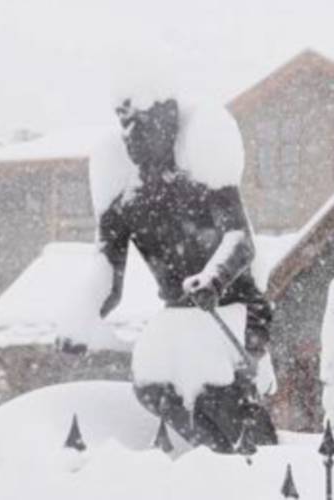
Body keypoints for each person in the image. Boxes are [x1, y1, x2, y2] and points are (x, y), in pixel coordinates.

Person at [98, 97, 277, 452]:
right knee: (151, 384)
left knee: (219, 389)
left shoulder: (203, 180)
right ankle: (218, 455)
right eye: (126, 126)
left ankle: (256, 459)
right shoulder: (125, 203)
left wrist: (213, 278)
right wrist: (87, 315)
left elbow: (241, 240)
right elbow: (106, 271)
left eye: (142, 125)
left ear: (167, 129)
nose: (131, 136)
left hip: (234, 305)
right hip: (179, 315)